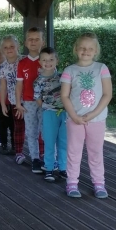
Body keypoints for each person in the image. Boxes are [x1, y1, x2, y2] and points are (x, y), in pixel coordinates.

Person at [61, 32, 112, 199]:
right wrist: (74, 116)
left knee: (96, 152)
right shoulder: (69, 70)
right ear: (76, 49)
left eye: (90, 48)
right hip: (75, 119)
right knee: (73, 152)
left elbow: (107, 94)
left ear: (96, 51)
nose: (86, 51)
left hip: (96, 119)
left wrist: (93, 114)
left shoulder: (101, 68)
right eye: (82, 48)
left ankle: (99, 183)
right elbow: (64, 96)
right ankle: (72, 182)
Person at [34, 47, 67, 182]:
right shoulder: (38, 81)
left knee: (64, 142)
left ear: (57, 61)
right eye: (44, 60)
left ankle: (63, 168)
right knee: (49, 142)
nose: (48, 63)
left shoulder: (63, 77)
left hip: (65, 113)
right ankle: (49, 168)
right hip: (49, 114)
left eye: (51, 59)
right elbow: (37, 98)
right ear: (40, 62)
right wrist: (47, 108)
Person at [15, 27, 45, 172]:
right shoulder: (22, 63)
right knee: (31, 132)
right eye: (30, 39)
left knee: (46, 131)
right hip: (28, 102)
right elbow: (19, 85)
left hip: (45, 103)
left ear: (42, 42)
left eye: (37, 39)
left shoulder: (47, 61)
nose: (33, 42)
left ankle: (50, 159)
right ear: (26, 43)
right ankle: (35, 159)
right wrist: (18, 103)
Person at [0, 35, 25, 164]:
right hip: (14, 101)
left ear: (18, 46)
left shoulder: (24, 61)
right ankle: (19, 152)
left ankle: (38, 153)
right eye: (6, 47)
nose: (9, 49)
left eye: (12, 46)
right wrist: (3, 104)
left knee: (35, 128)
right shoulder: (2, 66)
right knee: (18, 127)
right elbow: (2, 87)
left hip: (30, 101)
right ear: (2, 49)